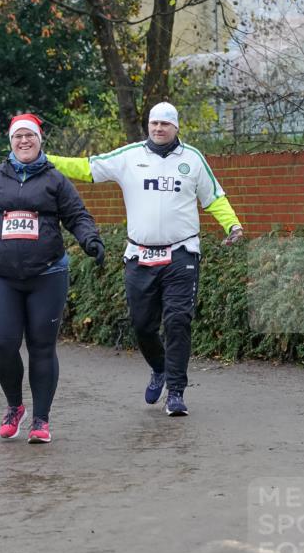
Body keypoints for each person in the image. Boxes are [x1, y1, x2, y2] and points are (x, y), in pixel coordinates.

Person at [48, 102, 244, 417]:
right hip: (139, 256)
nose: (158, 129)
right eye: (154, 124)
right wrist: (46, 160)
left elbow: (214, 197)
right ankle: (159, 367)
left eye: (165, 124)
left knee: (178, 321)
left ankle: (176, 393)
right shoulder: (130, 156)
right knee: (142, 325)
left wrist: (232, 224)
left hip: (182, 254)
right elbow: (87, 167)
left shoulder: (192, 159)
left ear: (176, 127)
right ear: (148, 126)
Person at [0, 113, 104, 444]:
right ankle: (14, 406)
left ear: (40, 140)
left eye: (30, 136)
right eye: (18, 137)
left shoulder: (55, 180)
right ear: (10, 142)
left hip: (48, 275)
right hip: (5, 277)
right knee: (3, 345)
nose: (24, 141)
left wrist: (90, 240)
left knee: (41, 346)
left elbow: (77, 215)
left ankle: (41, 419)